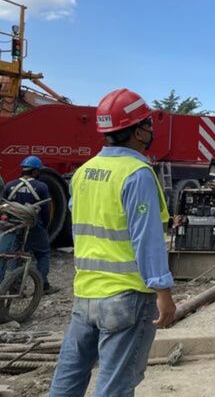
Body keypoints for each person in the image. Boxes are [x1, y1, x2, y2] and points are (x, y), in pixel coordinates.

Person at [49, 89, 176, 397]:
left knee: (68, 380)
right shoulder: (137, 173)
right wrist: (163, 292)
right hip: (126, 298)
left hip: (85, 294)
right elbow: (147, 240)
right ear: (136, 131)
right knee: (115, 387)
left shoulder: (83, 173)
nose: (150, 130)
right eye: (146, 123)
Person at [0, 156, 55, 293]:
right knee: (43, 253)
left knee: (16, 255)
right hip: (33, 226)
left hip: (14, 226)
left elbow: (4, 206)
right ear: (36, 172)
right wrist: (44, 227)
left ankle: (14, 286)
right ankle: (43, 286)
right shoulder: (41, 187)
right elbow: (46, 211)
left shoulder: (10, 185)